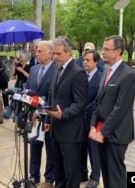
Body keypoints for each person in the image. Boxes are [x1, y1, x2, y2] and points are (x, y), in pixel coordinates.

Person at [89, 35, 135, 188]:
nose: (102, 52)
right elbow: (98, 102)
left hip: (116, 135)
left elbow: (120, 109)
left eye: (106, 49)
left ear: (118, 51)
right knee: (107, 176)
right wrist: (92, 125)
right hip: (101, 132)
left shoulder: (128, 75)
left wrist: (103, 132)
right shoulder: (106, 72)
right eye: (102, 48)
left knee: (116, 177)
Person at [44, 36, 88, 188]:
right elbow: (52, 96)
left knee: (71, 174)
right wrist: (48, 121)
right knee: (59, 172)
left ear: (69, 53)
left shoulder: (78, 73)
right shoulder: (57, 69)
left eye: (58, 54)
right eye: (54, 53)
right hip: (56, 130)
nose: (55, 57)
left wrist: (63, 114)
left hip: (71, 134)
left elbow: (80, 103)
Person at [25, 40, 55, 188]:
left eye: (40, 51)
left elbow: (54, 96)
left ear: (50, 53)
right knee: (34, 146)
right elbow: (28, 89)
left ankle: (49, 179)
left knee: (50, 149)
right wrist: (31, 110)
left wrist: (41, 110)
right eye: (37, 51)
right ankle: (33, 175)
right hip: (33, 116)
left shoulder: (57, 70)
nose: (37, 53)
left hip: (48, 116)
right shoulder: (34, 69)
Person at [81, 50, 102, 188]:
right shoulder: (81, 76)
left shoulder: (101, 78)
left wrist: (83, 108)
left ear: (96, 62)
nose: (85, 63)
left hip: (92, 119)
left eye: (88, 60)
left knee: (93, 149)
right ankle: (82, 173)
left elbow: (98, 101)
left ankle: (95, 177)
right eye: (84, 60)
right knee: (81, 147)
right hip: (79, 120)